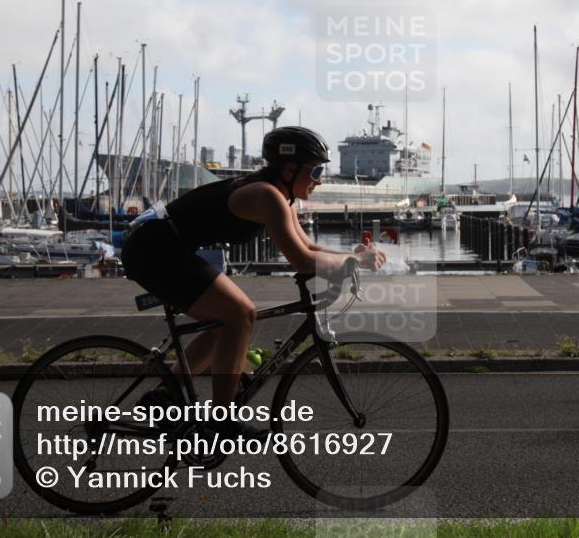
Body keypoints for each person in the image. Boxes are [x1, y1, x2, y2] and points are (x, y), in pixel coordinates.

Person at [121, 126, 386, 438]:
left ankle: (163, 396)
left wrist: (351, 255)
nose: (320, 180)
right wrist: (352, 263)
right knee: (240, 314)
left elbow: (311, 249)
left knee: (227, 320)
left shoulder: (280, 197)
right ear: (289, 169)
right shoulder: (267, 196)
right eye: (314, 171)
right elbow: (301, 261)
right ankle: (222, 421)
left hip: (166, 247)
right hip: (153, 250)